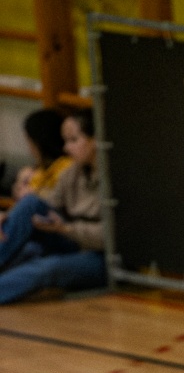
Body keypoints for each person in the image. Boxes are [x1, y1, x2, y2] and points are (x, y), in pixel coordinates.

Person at [0, 110, 107, 305]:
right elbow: (43, 204)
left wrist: (66, 229)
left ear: (96, 140)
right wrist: (8, 216)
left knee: (46, 267)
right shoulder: (72, 172)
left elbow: (111, 238)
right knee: (30, 207)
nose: (66, 148)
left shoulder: (117, 180)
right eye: (65, 141)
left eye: (74, 140)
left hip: (101, 258)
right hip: (73, 241)